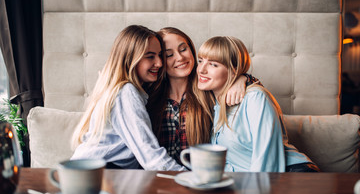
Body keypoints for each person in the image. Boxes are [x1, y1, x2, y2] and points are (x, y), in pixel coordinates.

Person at [197, 36, 319, 172]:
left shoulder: (255, 98)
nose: (201, 69)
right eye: (200, 61)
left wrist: (254, 191)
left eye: (213, 64)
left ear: (234, 70)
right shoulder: (212, 101)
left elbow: (267, 158)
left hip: (292, 174)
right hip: (248, 181)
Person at [71, 25, 185, 171]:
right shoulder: (126, 92)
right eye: (150, 56)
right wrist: (190, 179)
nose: (159, 63)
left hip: (92, 172)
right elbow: (150, 157)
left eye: (160, 55)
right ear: (130, 58)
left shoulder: (126, 90)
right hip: (96, 174)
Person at [147, 27, 259, 164]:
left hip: (200, 177)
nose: (180, 57)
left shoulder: (208, 89)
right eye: (169, 55)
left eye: (183, 49)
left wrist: (242, 78)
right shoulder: (151, 97)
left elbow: (257, 96)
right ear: (160, 60)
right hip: (161, 175)